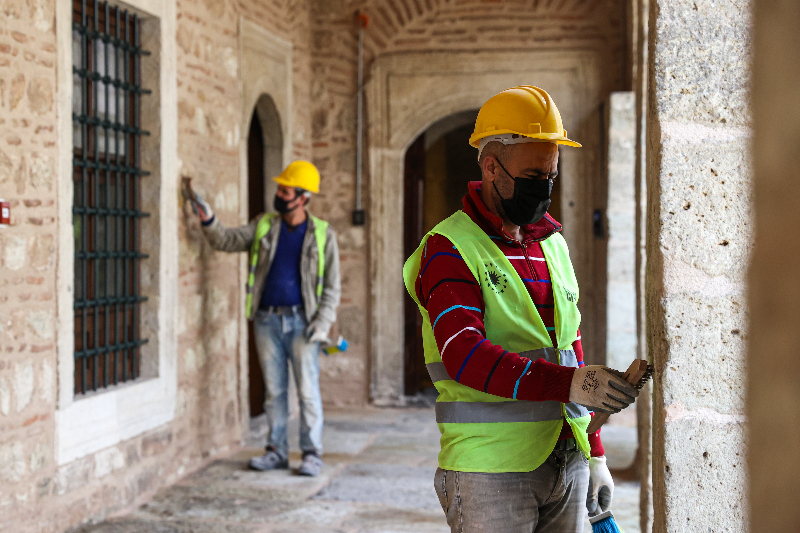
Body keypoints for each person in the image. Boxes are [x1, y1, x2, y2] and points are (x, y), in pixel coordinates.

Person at [402, 86, 639, 532]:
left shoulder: (553, 243)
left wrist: (597, 450)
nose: (545, 188)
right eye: (533, 177)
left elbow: (569, 350)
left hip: (566, 460)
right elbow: (464, 355)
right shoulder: (449, 249)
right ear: (491, 167)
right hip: (489, 467)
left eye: (551, 176)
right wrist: (572, 384)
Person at [190, 160, 340, 477]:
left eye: (286, 190)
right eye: (280, 189)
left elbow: (333, 288)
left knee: (308, 390)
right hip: (266, 321)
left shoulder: (323, 235)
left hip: (303, 324)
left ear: (303, 198)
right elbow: (226, 240)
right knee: (274, 391)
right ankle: (276, 450)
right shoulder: (263, 225)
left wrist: (322, 323)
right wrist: (209, 220)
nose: (279, 194)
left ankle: (312, 453)